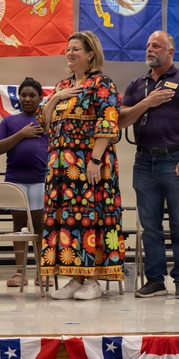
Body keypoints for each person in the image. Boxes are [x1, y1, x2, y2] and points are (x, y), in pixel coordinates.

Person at [119, 31, 179, 299]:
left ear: (170, 51)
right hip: (143, 160)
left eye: (155, 46)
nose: (149, 50)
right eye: (147, 46)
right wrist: (147, 102)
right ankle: (155, 280)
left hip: (174, 158)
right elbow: (121, 120)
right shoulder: (137, 84)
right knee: (150, 224)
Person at [41, 31, 124, 301]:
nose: (70, 53)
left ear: (90, 54)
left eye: (76, 49)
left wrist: (96, 159)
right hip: (62, 170)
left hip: (90, 165)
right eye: (68, 49)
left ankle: (94, 280)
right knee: (69, 221)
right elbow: (45, 123)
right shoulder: (62, 85)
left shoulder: (102, 83)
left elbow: (108, 122)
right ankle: (75, 277)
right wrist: (56, 98)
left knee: (93, 217)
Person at [0, 77, 48, 288]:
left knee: (39, 226)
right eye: (23, 95)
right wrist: (22, 134)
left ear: (40, 98)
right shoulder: (9, 121)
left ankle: (42, 271)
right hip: (15, 180)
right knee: (19, 226)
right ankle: (19, 272)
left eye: (32, 95)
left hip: (40, 180)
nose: (27, 99)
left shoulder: (46, 121)